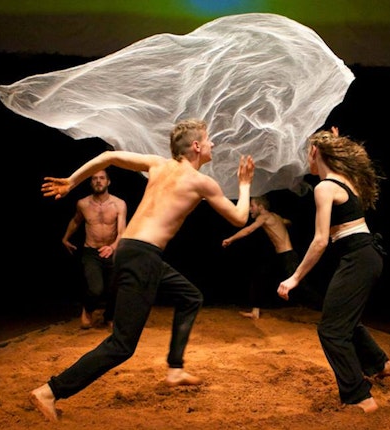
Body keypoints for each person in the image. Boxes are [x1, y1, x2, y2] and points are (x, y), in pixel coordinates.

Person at [30, 118, 255, 422]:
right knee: (122, 345)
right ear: (197, 146)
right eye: (209, 139)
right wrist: (244, 185)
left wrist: (72, 181)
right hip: (143, 257)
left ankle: (175, 369)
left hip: (133, 252)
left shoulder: (158, 164)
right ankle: (50, 390)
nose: (213, 144)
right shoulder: (201, 182)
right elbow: (240, 218)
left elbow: (109, 157)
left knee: (190, 297)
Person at [277, 126, 390, 413]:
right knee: (343, 318)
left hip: (359, 257)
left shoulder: (325, 187)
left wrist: (294, 278)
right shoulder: (346, 180)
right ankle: (381, 364)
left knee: (331, 331)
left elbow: (320, 241)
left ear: (316, 152)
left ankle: (359, 397)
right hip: (365, 255)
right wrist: (332, 138)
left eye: (308, 151)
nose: (307, 157)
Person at [222, 195, 321, 319]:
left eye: (252, 206)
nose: (250, 209)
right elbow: (287, 221)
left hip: (288, 256)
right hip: (281, 256)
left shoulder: (264, 217)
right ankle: (255, 311)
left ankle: (325, 309)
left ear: (261, 207)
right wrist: (283, 224)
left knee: (302, 286)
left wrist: (230, 239)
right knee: (259, 278)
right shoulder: (275, 217)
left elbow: (248, 230)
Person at [62, 169, 127, 330]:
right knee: (95, 289)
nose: (98, 181)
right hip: (91, 251)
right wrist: (65, 238)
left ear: (108, 182)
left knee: (115, 288)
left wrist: (112, 247)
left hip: (112, 250)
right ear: (91, 183)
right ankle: (88, 310)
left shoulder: (119, 204)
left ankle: (109, 317)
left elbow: (122, 232)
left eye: (102, 178)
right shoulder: (83, 204)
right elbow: (76, 221)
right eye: (95, 179)